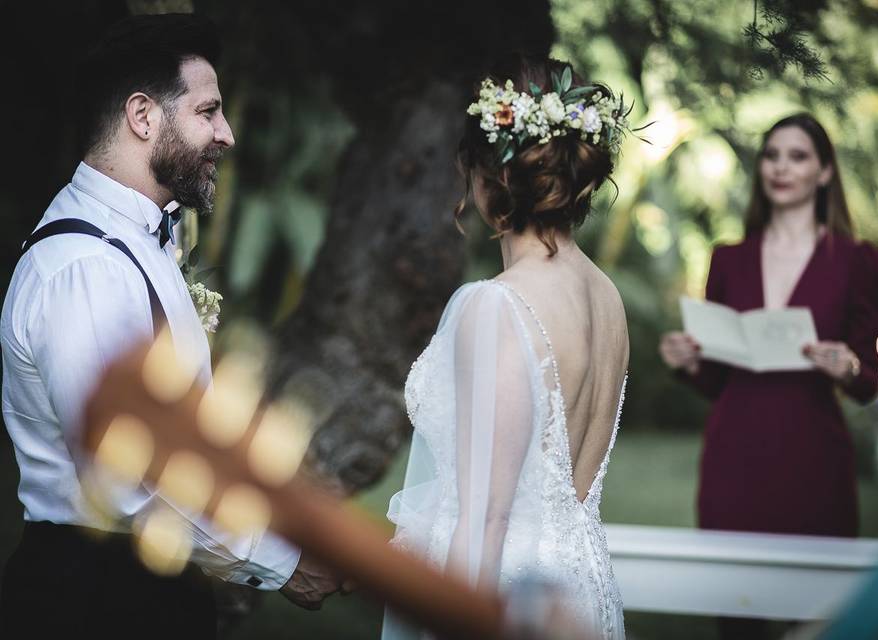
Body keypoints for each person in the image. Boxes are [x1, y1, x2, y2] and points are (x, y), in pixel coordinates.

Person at [0, 13, 335, 638]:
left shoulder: (140, 244)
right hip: (94, 599)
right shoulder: (86, 268)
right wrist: (278, 561)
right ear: (143, 116)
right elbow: (129, 477)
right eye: (208, 111)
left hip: (141, 587)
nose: (227, 134)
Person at [381, 54, 630, 639]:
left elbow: (487, 518)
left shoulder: (496, 306)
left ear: (483, 172)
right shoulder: (608, 297)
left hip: (507, 601)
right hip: (583, 589)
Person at [658, 113, 878, 639]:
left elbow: (868, 378)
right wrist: (690, 361)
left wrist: (846, 364)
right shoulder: (729, 259)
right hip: (733, 457)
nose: (781, 168)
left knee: (816, 618)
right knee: (737, 616)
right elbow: (716, 380)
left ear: (825, 172)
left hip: (813, 458)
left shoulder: (855, 260)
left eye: (798, 156)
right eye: (771, 155)